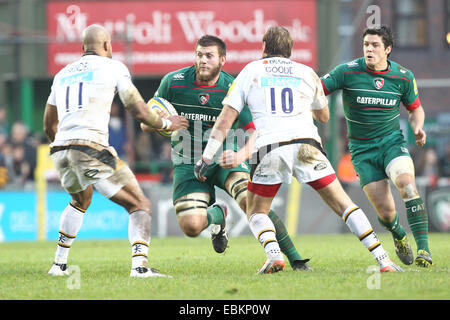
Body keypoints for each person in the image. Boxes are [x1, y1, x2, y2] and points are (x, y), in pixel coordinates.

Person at [195, 26, 403, 274]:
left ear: (263, 46)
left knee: (256, 211)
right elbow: (324, 116)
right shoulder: (306, 72)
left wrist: (207, 156)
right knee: (344, 205)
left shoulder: (250, 70)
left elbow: (226, 118)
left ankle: (274, 255)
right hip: (307, 145)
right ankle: (383, 260)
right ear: (290, 50)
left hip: (270, 148)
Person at [141, 35, 310, 271]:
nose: (203, 60)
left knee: (250, 202)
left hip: (224, 158)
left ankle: (296, 260)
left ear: (222, 59)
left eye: (209, 56)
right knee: (191, 226)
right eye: (199, 55)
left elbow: (255, 132)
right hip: (186, 161)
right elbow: (145, 123)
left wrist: (240, 156)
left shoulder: (233, 86)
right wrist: (165, 122)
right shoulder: (173, 82)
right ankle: (218, 216)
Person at [43, 24, 188, 278]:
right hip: (92, 147)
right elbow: (138, 109)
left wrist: (67, 146)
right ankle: (140, 268)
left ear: (82, 48)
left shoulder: (62, 74)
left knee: (81, 200)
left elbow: (48, 125)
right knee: (140, 204)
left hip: (61, 149)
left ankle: (59, 265)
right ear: (107, 46)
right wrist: (166, 124)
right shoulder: (114, 67)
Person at [320, 25, 432, 267]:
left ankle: (424, 250)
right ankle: (399, 235)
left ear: (387, 49)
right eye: (366, 45)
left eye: (375, 45)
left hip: (392, 143)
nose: (369, 50)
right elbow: (317, 90)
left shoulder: (403, 76)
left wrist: (417, 127)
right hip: (362, 151)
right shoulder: (347, 71)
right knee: (387, 212)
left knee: (407, 185)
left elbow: (416, 110)